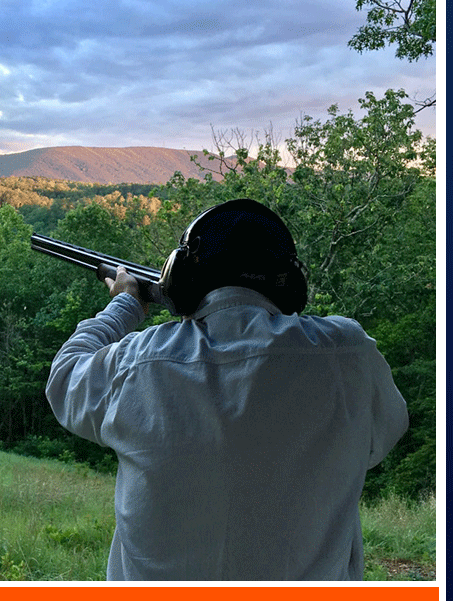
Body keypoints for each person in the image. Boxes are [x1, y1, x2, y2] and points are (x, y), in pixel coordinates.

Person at [45, 198, 408, 581]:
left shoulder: (140, 361)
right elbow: (382, 436)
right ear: (290, 283)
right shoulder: (348, 352)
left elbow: (65, 376)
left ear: (184, 280)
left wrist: (125, 304)